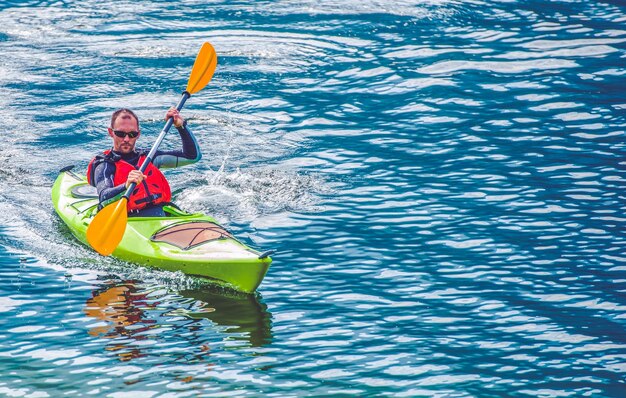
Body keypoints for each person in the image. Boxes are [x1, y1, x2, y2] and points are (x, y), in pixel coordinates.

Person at [87, 107, 202, 217]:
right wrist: (126, 185)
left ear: (139, 134)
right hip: (126, 218)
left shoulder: (149, 157)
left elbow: (192, 156)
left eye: (132, 134)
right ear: (111, 133)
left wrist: (181, 126)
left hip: (160, 213)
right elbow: (104, 198)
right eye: (121, 134)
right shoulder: (105, 164)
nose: (126, 139)